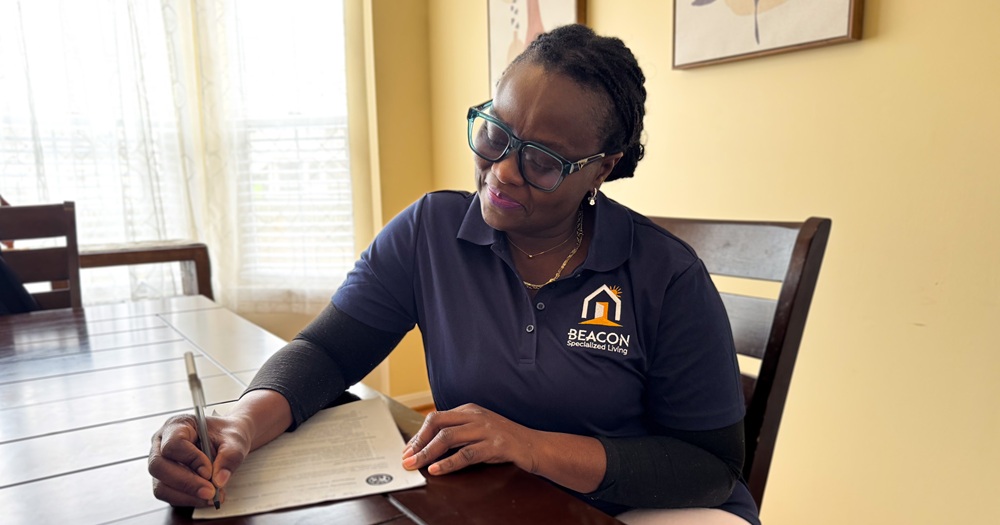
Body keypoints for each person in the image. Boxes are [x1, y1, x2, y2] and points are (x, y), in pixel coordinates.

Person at [148, 24, 760, 525]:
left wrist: (531, 445)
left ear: (603, 167)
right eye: (496, 132)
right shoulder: (430, 233)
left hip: (651, 514)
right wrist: (239, 423)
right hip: (506, 506)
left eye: (543, 161)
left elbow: (707, 466)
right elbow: (328, 352)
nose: (503, 172)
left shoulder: (665, 276)